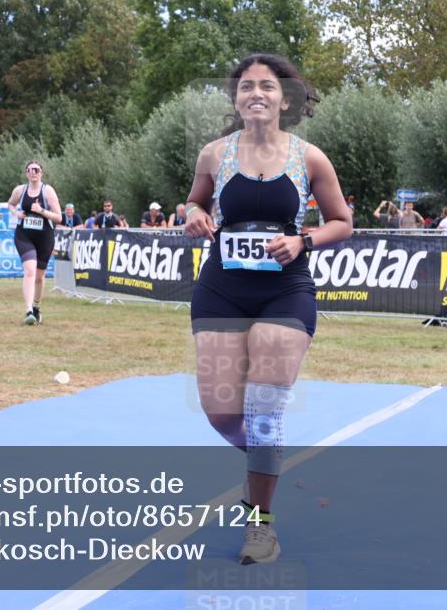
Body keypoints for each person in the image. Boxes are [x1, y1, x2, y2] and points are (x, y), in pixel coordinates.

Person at [183, 53, 352, 565]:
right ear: (236, 98)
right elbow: (193, 201)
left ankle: (261, 526)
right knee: (220, 414)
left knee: (263, 411)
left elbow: (342, 221)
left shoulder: (310, 158)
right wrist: (191, 214)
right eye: (246, 87)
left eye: (268, 86)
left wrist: (303, 240)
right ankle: (266, 461)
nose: (257, 93)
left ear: (286, 98)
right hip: (220, 291)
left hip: (285, 292)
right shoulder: (214, 154)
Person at [8, 161, 62, 325]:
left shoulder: (48, 191)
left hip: (45, 237)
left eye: (36, 170)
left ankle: (36, 307)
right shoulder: (20, 190)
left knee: (39, 277)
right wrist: (16, 212)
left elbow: (59, 218)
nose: (33, 172)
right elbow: (10, 204)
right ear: (26, 173)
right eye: (30, 170)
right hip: (24, 235)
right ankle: (28, 311)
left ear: (41, 173)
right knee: (30, 270)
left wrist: (41, 211)